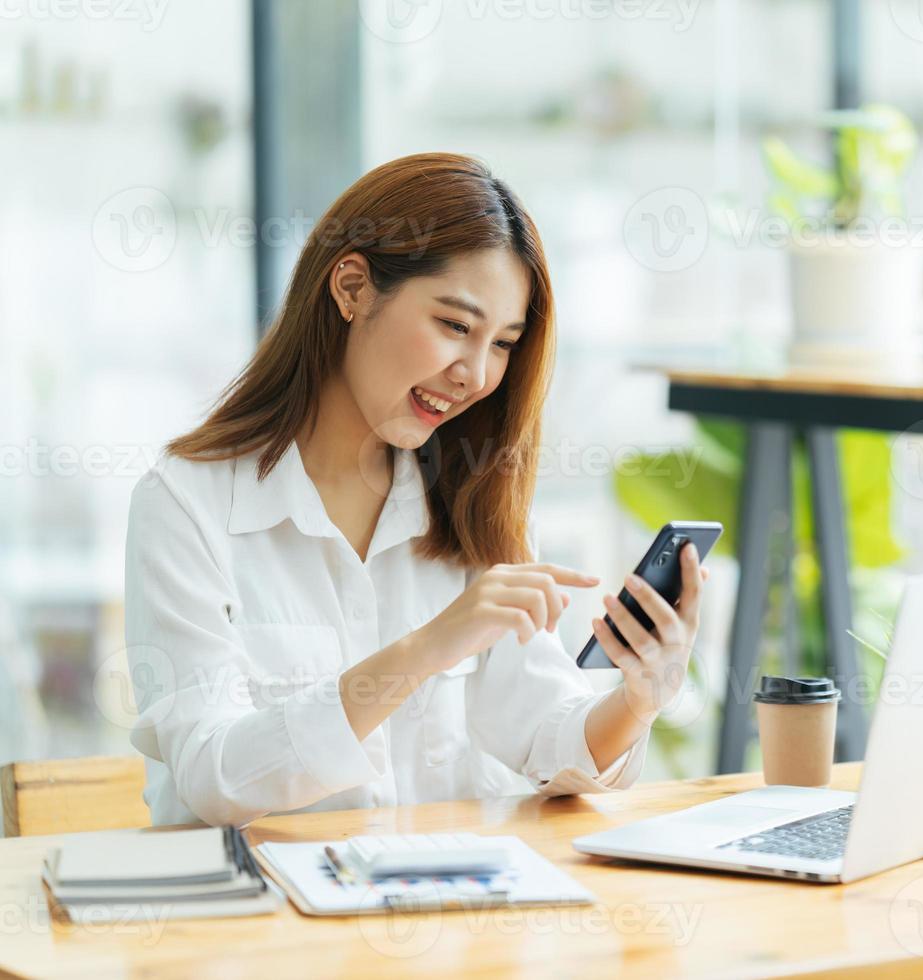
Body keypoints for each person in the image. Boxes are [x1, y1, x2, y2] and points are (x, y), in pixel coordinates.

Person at [122, 152, 708, 827]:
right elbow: (211, 774)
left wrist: (639, 696)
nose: (476, 374)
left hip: (448, 908)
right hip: (261, 919)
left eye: (503, 343)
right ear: (351, 289)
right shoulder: (185, 504)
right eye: (455, 326)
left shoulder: (471, 499)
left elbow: (549, 739)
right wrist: (425, 649)